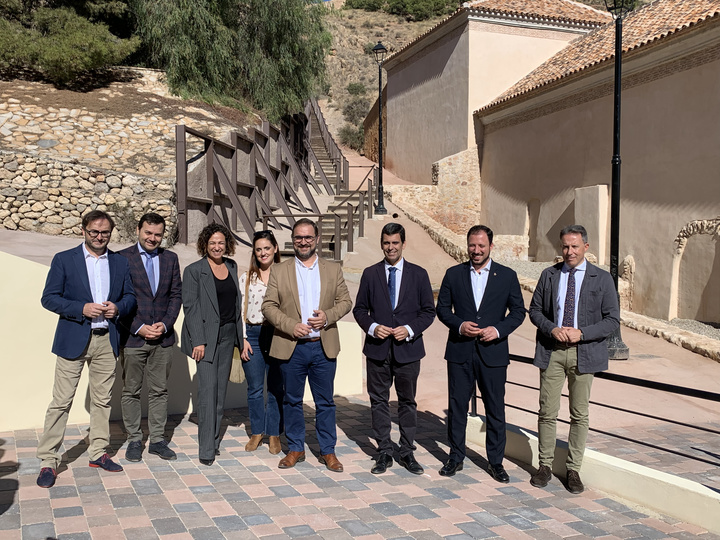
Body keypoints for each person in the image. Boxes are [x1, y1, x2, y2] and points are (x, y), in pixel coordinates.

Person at [36, 210, 136, 488]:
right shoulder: (64, 260)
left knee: (102, 401)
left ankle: (98, 452)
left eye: (104, 232)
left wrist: (119, 307)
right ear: (84, 230)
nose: (99, 237)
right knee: (61, 402)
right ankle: (48, 461)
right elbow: (49, 299)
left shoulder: (119, 262)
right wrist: (81, 308)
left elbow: (130, 297)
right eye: (94, 232)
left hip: (107, 339)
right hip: (73, 339)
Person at [528, 224, 619, 494]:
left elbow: (612, 319)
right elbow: (534, 311)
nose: (569, 251)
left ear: (586, 248)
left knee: (579, 414)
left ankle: (573, 469)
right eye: (565, 246)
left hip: (585, 352)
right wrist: (552, 328)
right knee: (547, 411)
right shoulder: (549, 275)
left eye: (575, 246)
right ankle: (544, 465)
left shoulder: (602, 279)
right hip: (552, 351)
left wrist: (582, 333)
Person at [262, 218, 352, 472]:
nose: (303, 242)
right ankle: (296, 448)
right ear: (293, 240)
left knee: (325, 402)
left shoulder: (333, 269)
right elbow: (268, 306)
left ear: (316, 239)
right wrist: (290, 325)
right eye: (299, 237)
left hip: (323, 346)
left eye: (308, 237)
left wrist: (328, 316)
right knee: (291, 400)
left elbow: (346, 301)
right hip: (292, 346)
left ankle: (328, 451)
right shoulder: (280, 270)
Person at [436, 225, 525, 482]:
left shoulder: (507, 276)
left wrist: (498, 330)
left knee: (495, 408)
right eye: (472, 245)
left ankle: (495, 462)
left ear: (491, 247)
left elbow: (518, 312)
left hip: (493, 353)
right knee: (457, 406)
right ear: (467, 245)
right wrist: (459, 325)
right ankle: (455, 457)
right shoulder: (453, 274)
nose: (476, 250)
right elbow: (442, 309)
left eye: (481, 246)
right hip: (460, 352)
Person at [353, 223, 435, 475]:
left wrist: (410, 329)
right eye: (387, 242)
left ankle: (407, 451)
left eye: (395, 243)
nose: (391, 247)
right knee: (378, 401)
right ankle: (384, 452)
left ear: (403, 244)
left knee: (407, 402)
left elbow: (428, 312)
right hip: (378, 350)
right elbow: (359, 310)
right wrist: (373, 326)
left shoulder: (419, 274)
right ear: (381, 244)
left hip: (407, 350)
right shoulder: (370, 273)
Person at [118, 213, 182, 462]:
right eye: (148, 233)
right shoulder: (122, 258)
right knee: (131, 391)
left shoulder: (170, 258)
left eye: (157, 234)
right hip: (134, 338)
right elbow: (120, 300)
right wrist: (139, 327)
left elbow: (176, 295)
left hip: (162, 340)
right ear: (138, 230)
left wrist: (165, 325)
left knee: (159, 391)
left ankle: (156, 440)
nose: (153, 238)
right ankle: (134, 439)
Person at [180, 223, 244, 466]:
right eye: (212, 243)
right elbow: (191, 307)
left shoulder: (231, 266)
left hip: (229, 335)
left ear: (227, 244)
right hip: (205, 338)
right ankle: (206, 449)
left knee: (220, 394)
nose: (217, 247)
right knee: (207, 393)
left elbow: (236, 304)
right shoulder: (194, 271)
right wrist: (198, 340)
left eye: (221, 242)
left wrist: (241, 338)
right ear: (204, 245)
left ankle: (214, 439)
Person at [239, 230, 284, 455]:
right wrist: (243, 338)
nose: (263, 252)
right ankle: (257, 431)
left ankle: (274, 433)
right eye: (258, 249)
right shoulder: (247, 277)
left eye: (267, 248)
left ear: (275, 248)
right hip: (254, 336)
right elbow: (239, 311)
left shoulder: (286, 275)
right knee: (255, 388)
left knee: (276, 388)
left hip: (277, 335)